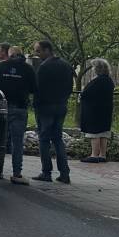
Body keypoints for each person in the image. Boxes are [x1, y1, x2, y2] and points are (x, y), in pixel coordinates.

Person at [0, 46, 38, 185]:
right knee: (17, 142)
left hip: (3, 108)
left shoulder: (0, 67)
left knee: (0, 140)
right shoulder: (28, 69)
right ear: (21, 54)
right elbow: (34, 89)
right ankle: (17, 174)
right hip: (20, 108)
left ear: (9, 54)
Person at [33, 40, 74, 184]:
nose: (36, 54)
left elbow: (38, 88)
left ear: (47, 50)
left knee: (44, 139)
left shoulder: (44, 67)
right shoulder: (66, 65)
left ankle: (46, 172)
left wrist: (37, 105)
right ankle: (64, 173)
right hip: (61, 106)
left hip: (45, 108)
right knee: (57, 139)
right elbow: (70, 87)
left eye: (38, 51)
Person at [79, 58, 115, 163]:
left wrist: (82, 94)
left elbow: (87, 93)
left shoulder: (98, 81)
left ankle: (94, 155)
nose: (93, 69)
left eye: (94, 67)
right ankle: (102, 155)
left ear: (98, 69)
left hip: (94, 110)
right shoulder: (109, 80)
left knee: (94, 132)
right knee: (103, 132)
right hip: (106, 109)